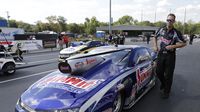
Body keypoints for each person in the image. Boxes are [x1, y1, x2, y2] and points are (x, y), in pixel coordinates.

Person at [153, 13, 187, 99]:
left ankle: (166, 91)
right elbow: (154, 37)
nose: (169, 22)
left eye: (171, 20)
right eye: (168, 20)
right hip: (161, 54)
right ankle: (164, 84)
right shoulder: (161, 29)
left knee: (168, 75)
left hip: (170, 56)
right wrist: (155, 45)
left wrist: (173, 46)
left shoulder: (176, 32)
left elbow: (184, 43)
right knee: (158, 72)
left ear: (174, 21)